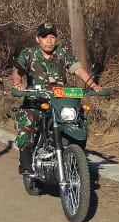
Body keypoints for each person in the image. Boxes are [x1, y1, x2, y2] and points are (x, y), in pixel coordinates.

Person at [11, 21, 101, 174]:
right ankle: (25, 158)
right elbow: (17, 70)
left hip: (60, 101)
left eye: (52, 37)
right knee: (28, 120)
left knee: (79, 119)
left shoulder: (62, 53)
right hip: (36, 101)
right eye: (45, 37)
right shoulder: (28, 54)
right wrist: (18, 84)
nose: (49, 40)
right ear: (37, 39)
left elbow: (78, 69)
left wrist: (93, 85)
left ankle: (75, 154)